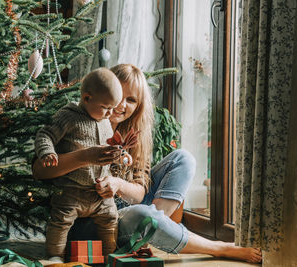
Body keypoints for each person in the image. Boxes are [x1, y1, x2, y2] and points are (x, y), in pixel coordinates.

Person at [32, 64, 262, 263]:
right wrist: (84, 157)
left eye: (131, 100)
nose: (121, 105)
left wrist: (117, 184)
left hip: (123, 210)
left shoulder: (133, 134)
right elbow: (40, 171)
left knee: (183, 159)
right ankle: (218, 248)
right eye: (119, 95)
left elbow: (139, 193)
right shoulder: (75, 119)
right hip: (86, 219)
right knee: (142, 215)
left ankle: (150, 231)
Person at [34, 67, 128, 263]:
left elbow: (110, 145)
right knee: (60, 222)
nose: (110, 113)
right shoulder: (68, 116)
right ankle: (55, 257)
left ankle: (109, 256)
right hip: (71, 189)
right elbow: (45, 134)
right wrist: (47, 152)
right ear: (86, 98)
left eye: (113, 108)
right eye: (105, 107)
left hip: (98, 191)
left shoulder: (104, 121)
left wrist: (120, 155)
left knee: (111, 218)